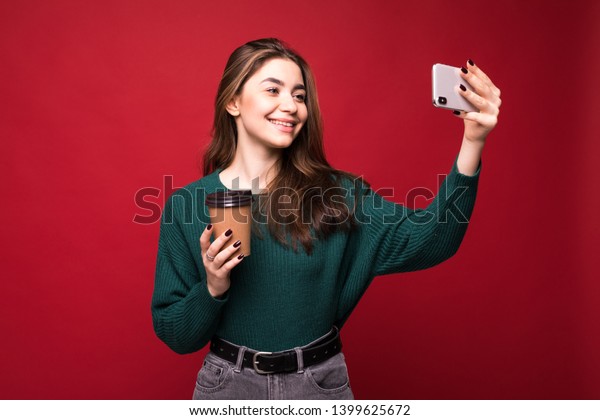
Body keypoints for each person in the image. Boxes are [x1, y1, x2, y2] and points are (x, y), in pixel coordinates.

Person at [151, 38, 501, 400]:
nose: (291, 106)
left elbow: (433, 238)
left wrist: (473, 142)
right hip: (227, 388)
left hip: (318, 386)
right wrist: (213, 286)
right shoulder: (186, 206)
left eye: (300, 96)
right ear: (233, 101)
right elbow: (176, 335)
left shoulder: (338, 195)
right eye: (273, 89)